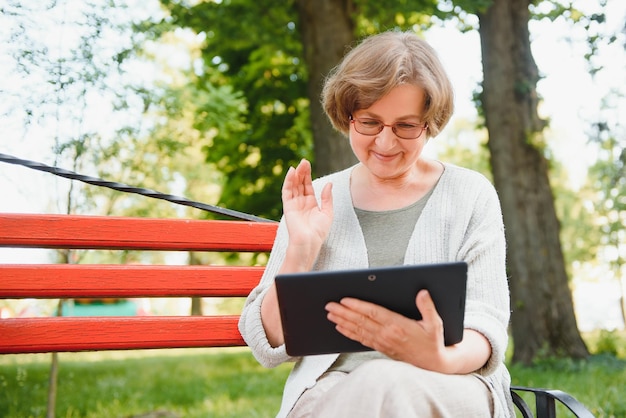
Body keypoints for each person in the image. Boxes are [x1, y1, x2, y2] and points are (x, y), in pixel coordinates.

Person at [238, 30, 514, 418]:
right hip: (332, 391)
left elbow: (486, 326)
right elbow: (265, 342)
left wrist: (438, 356)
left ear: (429, 122)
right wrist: (300, 250)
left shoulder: (469, 194)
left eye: (405, 126)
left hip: (450, 382)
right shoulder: (313, 199)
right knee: (372, 387)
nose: (385, 143)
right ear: (347, 117)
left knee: (385, 381)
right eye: (370, 123)